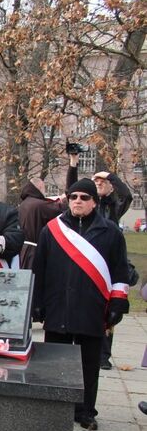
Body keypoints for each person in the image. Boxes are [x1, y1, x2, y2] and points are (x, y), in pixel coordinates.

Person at [32, 178, 129, 431]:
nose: (78, 201)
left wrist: (118, 303)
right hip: (58, 306)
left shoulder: (111, 232)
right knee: (55, 363)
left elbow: (120, 271)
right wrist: (37, 302)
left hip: (92, 308)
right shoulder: (51, 230)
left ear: (94, 202)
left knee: (89, 365)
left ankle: (85, 411)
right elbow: (39, 269)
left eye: (84, 198)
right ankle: (55, 408)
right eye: (73, 197)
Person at [66, 145, 133, 371]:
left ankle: (104, 355)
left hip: (107, 256)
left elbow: (127, 195)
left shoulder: (114, 206)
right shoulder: (82, 203)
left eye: (102, 182)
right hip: (85, 255)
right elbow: (71, 189)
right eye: (96, 182)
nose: (99, 184)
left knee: (107, 313)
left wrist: (109, 175)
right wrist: (73, 164)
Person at [18, 177, 65, 270]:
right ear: (39, 187)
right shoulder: (38, 205)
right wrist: (64, 199)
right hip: (34, 251)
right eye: (44, 188)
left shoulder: (24, 203)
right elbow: (60, 209)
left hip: (24, 249)